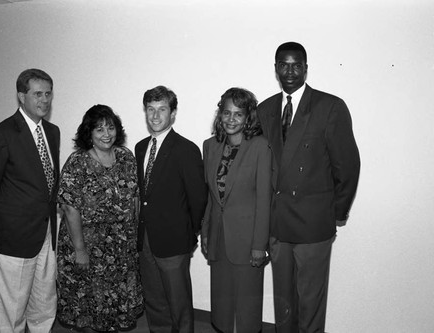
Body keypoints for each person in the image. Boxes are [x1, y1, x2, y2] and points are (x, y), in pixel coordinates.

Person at [257, 42, 361, 332]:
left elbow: (348, 166)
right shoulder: (264, 109)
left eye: (296, 64)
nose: (289, 71)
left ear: (305, 67)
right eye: (283, 64)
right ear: (275, 68)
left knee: (311, 302)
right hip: (278, 224)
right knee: (283, 302)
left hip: (313, 223)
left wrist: (335, 213)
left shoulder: (329, 106)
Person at [0, 68, 59, 332]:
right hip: (11, 237)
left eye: (48, 94)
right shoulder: (2, 133)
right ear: (21, 96)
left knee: (44, 305)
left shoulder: (53, 132)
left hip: (46, 234)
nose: (44, 100)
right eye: (37, 94)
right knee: (12, 310)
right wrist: (3, 220)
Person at [56, 105, 143, 332]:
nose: (107, 134)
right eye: (99, 129)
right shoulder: (77, 163)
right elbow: (69, 208)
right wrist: (80, 249)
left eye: (110, 128)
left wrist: (135, 237)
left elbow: (135, 197)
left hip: (119, 247)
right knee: (89, 304)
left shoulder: (126, 157)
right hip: (86, 245)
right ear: (89, 134)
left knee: (113, 304)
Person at [135, 85, 207, 333]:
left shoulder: (186, 149)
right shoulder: (140, 147)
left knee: (179, 304)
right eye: (150, 110)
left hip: (174, 241)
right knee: (154, 300)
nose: (155, 116)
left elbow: (198, 199)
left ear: (173, 113)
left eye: (162, 110)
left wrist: (191, 233)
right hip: (145, 240)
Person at [201, 88, 271, 333]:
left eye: (238, 114)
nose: (231, 119)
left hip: (248, 238)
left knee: (247, 306)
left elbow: (265, 200)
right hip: (218, 236)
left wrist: (259, 245)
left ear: (248, 117)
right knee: (221, 301)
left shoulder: (260, 147)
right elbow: (210, 197)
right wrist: (206, 232)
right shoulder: (210, 146)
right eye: (226, 112)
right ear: (220, 114)